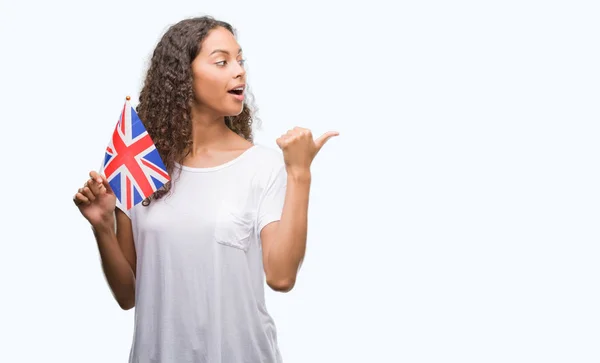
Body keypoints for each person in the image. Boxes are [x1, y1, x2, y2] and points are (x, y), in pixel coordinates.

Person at [72, 15, 338, 363]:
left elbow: (281, 276)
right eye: (222, 61)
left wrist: (300, 173)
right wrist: (103, 227)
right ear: (182, 76)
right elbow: (128, 295)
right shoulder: (142, 166)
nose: (239, 71)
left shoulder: (263, 167)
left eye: (240, 60)